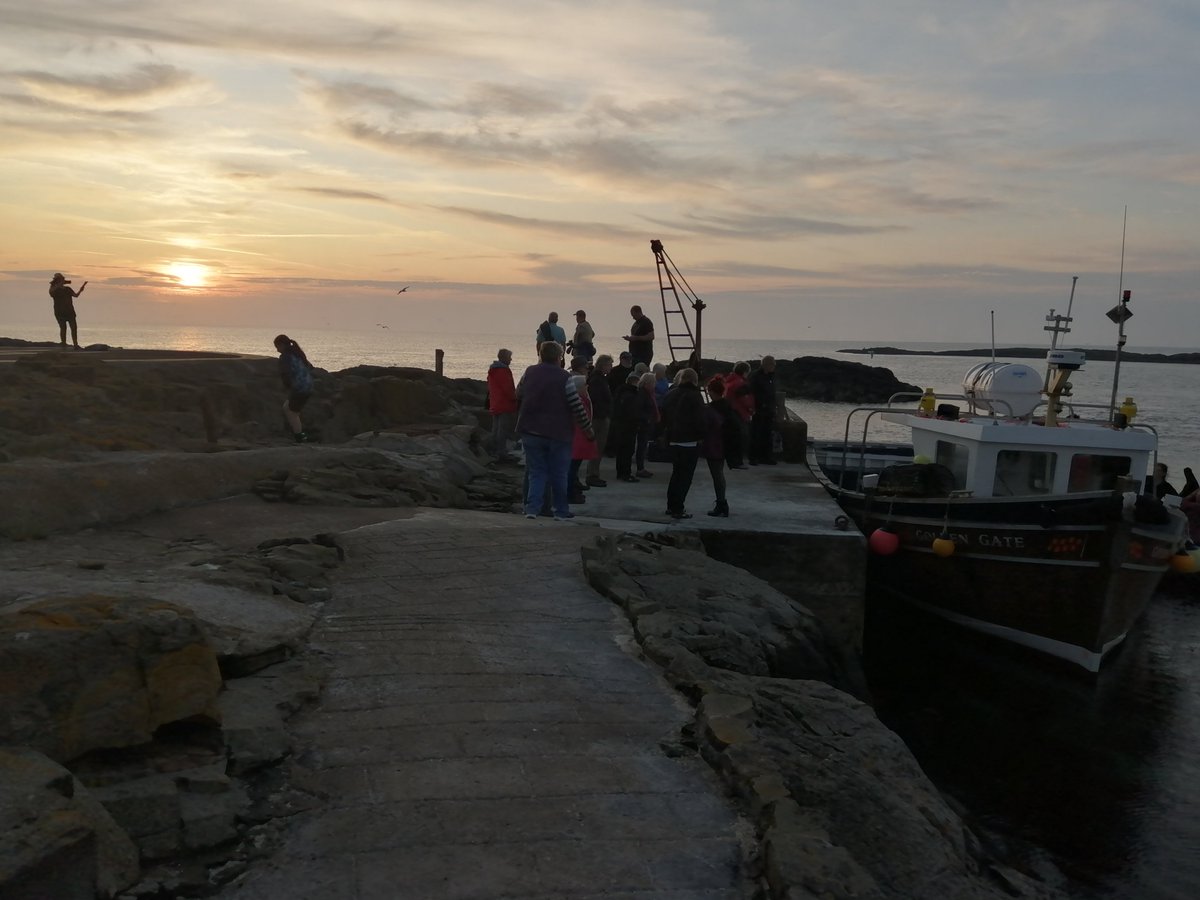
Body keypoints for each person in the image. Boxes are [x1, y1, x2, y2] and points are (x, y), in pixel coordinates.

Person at [516, 341, 593, 520]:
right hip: (558, 432)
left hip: (530, 429)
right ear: (559, 357)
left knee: (536, 471)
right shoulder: (564, 377)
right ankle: (560, 510)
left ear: (541, 355)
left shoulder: (529, 372)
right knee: (559, 473)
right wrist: (588, 429)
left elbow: (518, 393)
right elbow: (576, 405)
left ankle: (532, 509)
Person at [660, 367, 706, 519]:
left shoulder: (671, 394)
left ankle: (671, 506)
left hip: (673, 439)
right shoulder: (696, 396)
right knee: (685, 477)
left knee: (676, 474)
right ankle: (678, 508)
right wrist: (701, 436)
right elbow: (699, 420)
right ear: (694, 380)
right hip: (689, 442)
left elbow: (663, 414)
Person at [701, 378, 737, 517]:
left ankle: (721, 503)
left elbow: (706, 426)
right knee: (719, 474)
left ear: (711, 392)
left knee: (717, 475)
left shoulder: (711, 409)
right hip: (724, 444)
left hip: (714, 445)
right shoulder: (727, 406)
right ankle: (721, 503)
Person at [274, 334, 315, 443]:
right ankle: (301, 434)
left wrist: (287, 386)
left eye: (277, 347)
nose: (277, 350)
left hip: (300, 388)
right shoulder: (298, 353)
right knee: (291, 410)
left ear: (282, 345)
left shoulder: (285, 357)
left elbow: (285, 374)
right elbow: (310, 367)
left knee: (290, 411)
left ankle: (300, 438)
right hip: (308, 386)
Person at [568, 375, 598, 504]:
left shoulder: (583, 399)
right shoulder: (579, 401)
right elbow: (583, 419)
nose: (587, 387)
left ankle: (572, 490)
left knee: (572, 468)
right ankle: (569, 494)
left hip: (578, 439)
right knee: (571, 469)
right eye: (585, 385)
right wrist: (590, 433)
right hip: (577, 440)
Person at [585, 355, 613, 487]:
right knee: (597, 446)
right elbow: (596, 399)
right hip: (599, 417)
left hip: (601, 415)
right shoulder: (597, 380)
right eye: (609, 365)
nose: (611, 367)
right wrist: (604, 412)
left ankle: (593, 472)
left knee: (598, 447)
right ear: (603, 365)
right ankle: (592, 474)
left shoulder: (600, 379)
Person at [486, 348, 518, 462]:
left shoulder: (493, 370)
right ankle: (501, 452)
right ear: (504, 358)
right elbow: (508, 388)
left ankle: (493, 450)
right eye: (509, 357)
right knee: (502, 430)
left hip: (495, 402)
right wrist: (515, 398)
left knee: (495, 428)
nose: (511, 359)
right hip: (504, 403)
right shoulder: (503, 371)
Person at [723, 362, 754, 469]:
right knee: (740, 439)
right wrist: (752, 409)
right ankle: (737, 462)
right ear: (745, 372)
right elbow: (746, 400)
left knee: (732, 439)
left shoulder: (729, 381)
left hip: (730, 412)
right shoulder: (740, 384)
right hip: (739, 413)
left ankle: (732, 461)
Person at [748, 356, 778, 465]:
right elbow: (752, 391)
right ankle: (753, 457)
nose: (774, 366)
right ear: (766, 364)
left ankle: (766, 457)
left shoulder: (771, 376)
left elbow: (772, 393)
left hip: (769, 410)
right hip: (759, 410)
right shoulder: (756, 376)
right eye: (773, 364)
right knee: (756, 434)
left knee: (767, 434)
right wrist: (760, 404)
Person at [48, 273, 87, 348]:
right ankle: (64, 345)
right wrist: (56, 284)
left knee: (74, 328)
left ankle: (75, 345)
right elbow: (51, 293)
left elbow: (76, 295)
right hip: (60, 312)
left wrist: (80, 290)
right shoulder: (54, 290)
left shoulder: (68, 289)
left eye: (62, 279)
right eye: (61, 279)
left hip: (70, 311)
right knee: (63, 328)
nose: (63, 280)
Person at [634, 372, 660, 478]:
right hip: (643, 423)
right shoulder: (642, 394)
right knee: (641, 446)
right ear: (647, 383)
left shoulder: (648, 393)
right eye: (653, 383)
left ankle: (641, 467)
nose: (654, 385)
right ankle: (640, 468)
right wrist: (648, 419)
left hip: (647, 423)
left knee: (643, 445)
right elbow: (638, 409)